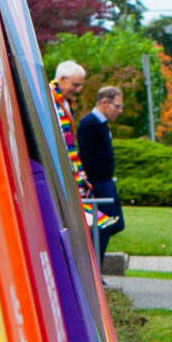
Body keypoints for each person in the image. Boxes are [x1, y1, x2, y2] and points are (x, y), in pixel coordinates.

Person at [77, 85, 126, 260]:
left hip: (107, 181)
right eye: (117, 106)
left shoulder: (103, 124)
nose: (119, 111)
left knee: (117, 223)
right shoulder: (90, 124)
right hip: (97, 183)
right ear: (104, 102)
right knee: (103, 227)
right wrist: (88, 186)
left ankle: (93, 261)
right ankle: (94, 268)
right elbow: (86, 157)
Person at [50, 62, 97, 216]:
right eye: (75, 85)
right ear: (62, 79)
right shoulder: (49, 98)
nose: (78, 90)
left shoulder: (63, 101)